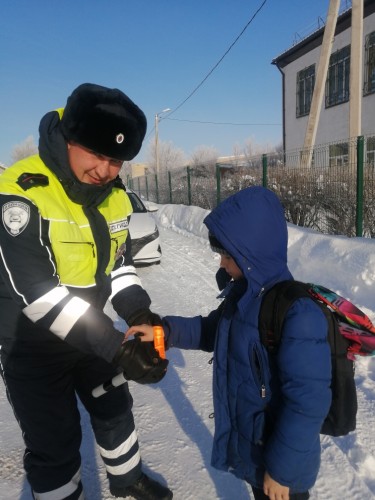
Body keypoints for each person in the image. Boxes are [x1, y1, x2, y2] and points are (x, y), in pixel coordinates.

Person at [0, 83, 172, 500]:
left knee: (115, 408)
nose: (106, 170)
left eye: (116, 160)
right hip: (33, 345)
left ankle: (127, 479)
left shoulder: (115, 199)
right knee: (54, 443)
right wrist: (117, 347)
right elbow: (38, 294)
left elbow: (117, 266)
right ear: (69, 139)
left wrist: (138, 316)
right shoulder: (22, 190)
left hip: (91, 334)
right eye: (97, 154)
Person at [127, 186, 332, 500]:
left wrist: (282, 471)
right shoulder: (243, 296)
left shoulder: (297, 313)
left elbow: (308, 403)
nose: (221, 264)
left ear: (252, 254)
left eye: (227, 256)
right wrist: (164, 331)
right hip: (254, 447)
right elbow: (212, 331)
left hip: (281, 464)